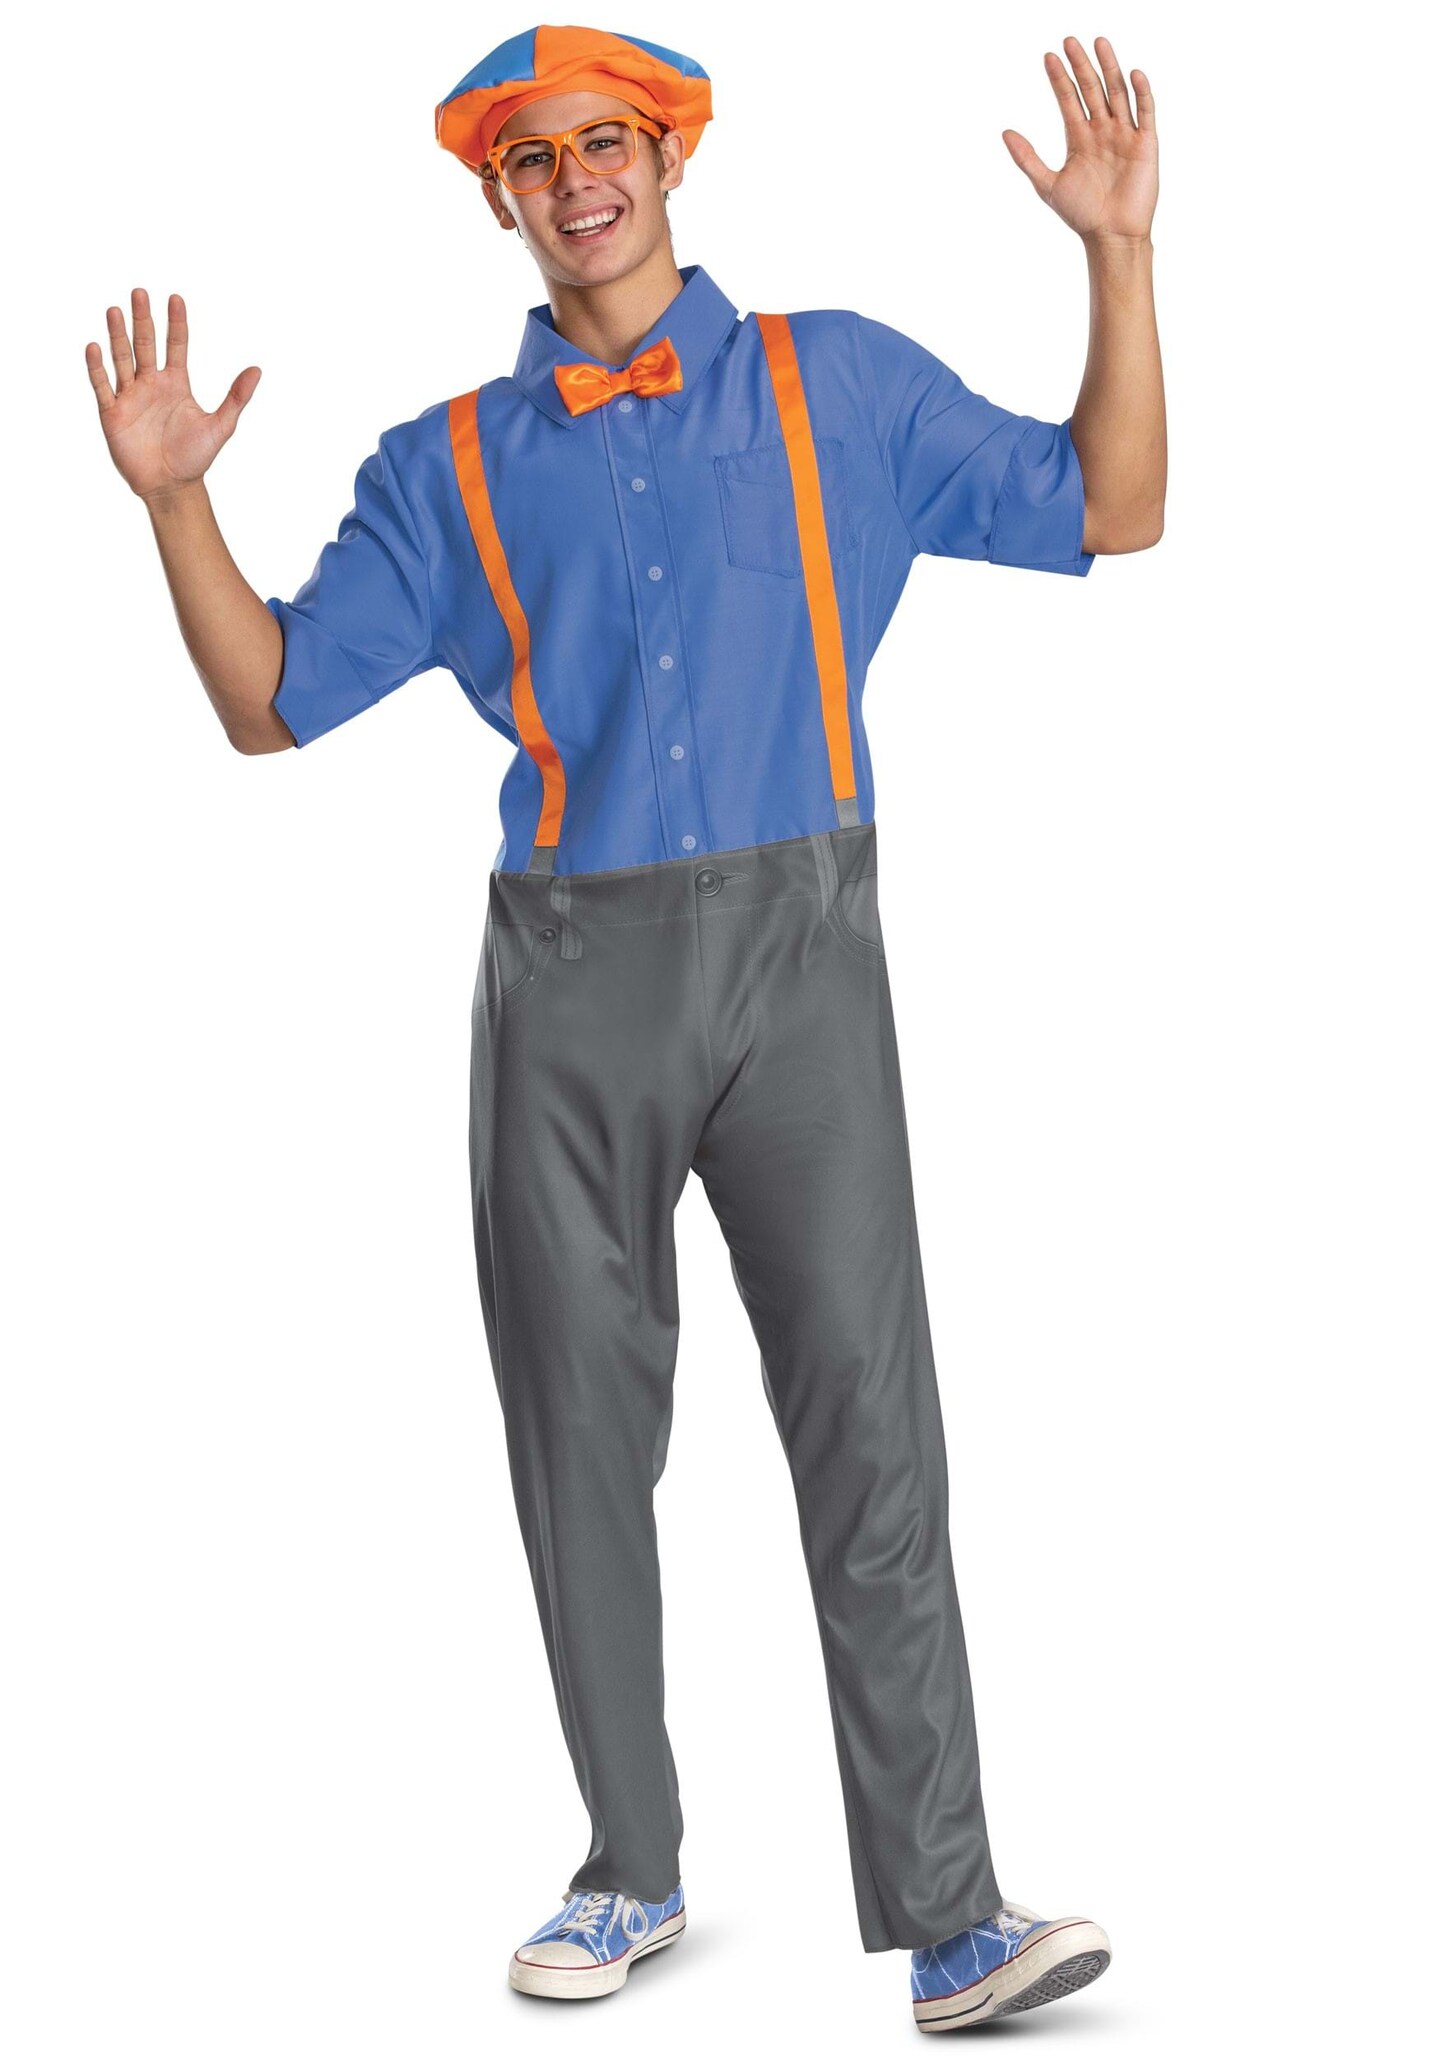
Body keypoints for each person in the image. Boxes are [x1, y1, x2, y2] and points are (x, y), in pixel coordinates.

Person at [86, 23, 1165, 2028]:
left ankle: (953, 1915)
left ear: (671, 160)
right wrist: (173, 508)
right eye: (536, 155)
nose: (578, 177)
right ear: (496, 195)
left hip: (805, 955)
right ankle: (629, 1870)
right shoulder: (441, 469)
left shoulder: (839, 384)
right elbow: (270, 703)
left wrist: (1117, 254)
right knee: (578, 1432)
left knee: (872, 1425)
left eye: (609, 140)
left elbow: (1115, 503)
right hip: (570, 980)